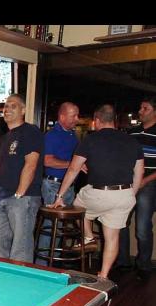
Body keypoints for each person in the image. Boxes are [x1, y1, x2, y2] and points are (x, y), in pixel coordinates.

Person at [49, 104, 144, 279]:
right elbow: (139, 172)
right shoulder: (132, 141)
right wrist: (132, 194)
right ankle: (103, 275)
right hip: (125, 195)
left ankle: (88, 237)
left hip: (99, 193)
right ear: (114, 121)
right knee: (112, 237)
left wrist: (59, 196)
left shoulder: (90, 140)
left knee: (77, 204)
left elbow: (73, 169)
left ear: (97, 120)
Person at [0, 94, 44, 263]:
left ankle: (22, 278)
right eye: (6, 106)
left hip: (23, 197)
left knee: (20, 248)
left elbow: (31, 164)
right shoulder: (7, 137)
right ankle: (6, 275)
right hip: (2, 197)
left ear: (23, 110)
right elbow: (6, 164)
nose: (7, 109)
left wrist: (19, 195)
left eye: (13, 106)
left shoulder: (30, 132)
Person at [36, 102, 81, 265]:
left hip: (68, 187)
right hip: (53, 186)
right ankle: (42, 266)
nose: (77, 119)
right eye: (73, 115)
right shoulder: (52, 135)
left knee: (59, 228)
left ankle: (52, 263)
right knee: (51, 227)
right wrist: (74, 165)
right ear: (62, 117)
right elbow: (47, 161)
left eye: (77, 115)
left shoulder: (72, 135)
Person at [118, 97, 156, 280]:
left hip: (148, 183)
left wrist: (145, 180)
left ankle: (144, 265)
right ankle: (123, 261)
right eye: (140, 107)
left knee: (142, 227)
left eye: (145, 108)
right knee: (121, 222)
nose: (140, 111)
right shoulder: (132, 132)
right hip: (129, 182)